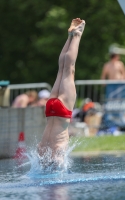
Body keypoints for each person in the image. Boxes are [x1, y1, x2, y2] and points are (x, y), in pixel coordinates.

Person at [37, 18, 85, 167]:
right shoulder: (43, 153)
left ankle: (76, 35)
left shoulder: (55, 154)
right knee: (62, 70)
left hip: (60, 112)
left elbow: (59, 163)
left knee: (68, 70)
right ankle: (70, 36)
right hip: (50, 109)